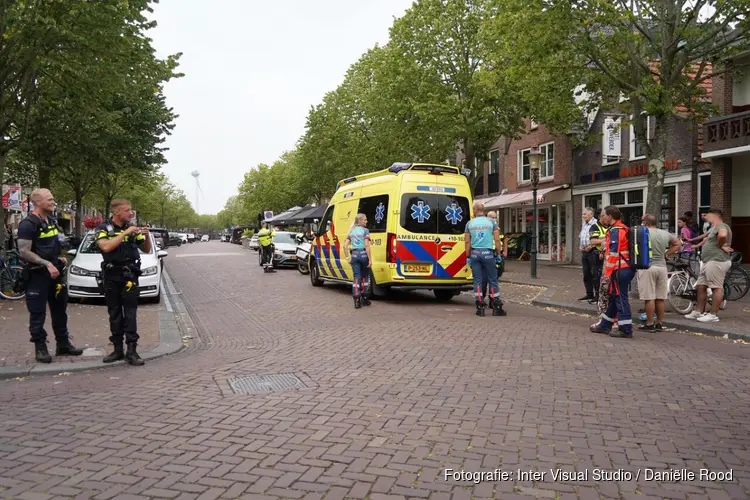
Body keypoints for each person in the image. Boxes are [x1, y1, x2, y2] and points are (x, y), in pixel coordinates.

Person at [16, 188, 83, 363]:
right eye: (50, 199)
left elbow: (52, 243)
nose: (54, 202)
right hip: (37, 276)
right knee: (37, 313)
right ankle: (40, 347)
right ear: (37, 202)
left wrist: (59, 257)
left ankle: (63, 345)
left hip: (55, 275)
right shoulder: (27, 224)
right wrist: (46, 264)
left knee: (60, 311)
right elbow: (24, 251)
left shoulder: (51, 221)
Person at [95, 199, 151, 366]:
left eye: (131, 210)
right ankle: (117, 350)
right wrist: (125, 234)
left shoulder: (131, 228)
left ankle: (132, 351)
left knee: (131, 314)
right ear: (117, 212)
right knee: (115, 314)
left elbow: (146, 249)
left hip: (130, 277)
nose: (131, 213)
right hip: (112, 277)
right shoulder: (103, 229)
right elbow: (105, 247)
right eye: (127, 210)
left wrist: (146, 237)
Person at [590, 205, 634, 338]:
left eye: (604, 215)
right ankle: (605, 324)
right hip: (624, 267)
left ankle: (625, 328)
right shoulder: (622, 228)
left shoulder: (616, 230)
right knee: (616, 296)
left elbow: (614, 254)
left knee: (621, 298)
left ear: (610, 216)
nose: (602, 217)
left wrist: (607, 273)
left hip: (619, 268)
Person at [684, 208, 733, 323]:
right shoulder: (713, 228)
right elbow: (704, 236)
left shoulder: (722, 226)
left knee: (716, 287)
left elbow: (722, 236)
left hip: (717, 260)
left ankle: (713, 314)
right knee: (701, 286)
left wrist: (721, 246)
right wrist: (690, 240)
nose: (706, 217)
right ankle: (698, 311)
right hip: (708, 261)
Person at [637, 214, 681, 331]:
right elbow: (677, 244)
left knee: (649, 297)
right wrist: (667, 254)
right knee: (660, 298)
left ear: (645, 222)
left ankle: (650, 324)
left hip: (647, 267)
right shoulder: (665, 233)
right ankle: (659, 323)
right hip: (662, 267)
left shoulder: (642, 233)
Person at [465, 201, 506, 317]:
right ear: (483, 210)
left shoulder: (469, 224)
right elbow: (497, 240)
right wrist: (498, 254)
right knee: (493, 280)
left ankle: (480, 306)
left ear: (474, 210)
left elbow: (467, 241)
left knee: (477, 280)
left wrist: (467, 256)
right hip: (488, 254)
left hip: (475, 254)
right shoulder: (492, 222)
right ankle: (496, 306)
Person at [343, 213, 373, 309]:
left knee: (356, 277)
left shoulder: (352, 231)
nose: (366, 221)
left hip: (354, 255)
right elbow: (367, 245)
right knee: (365, 277)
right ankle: (365, 298)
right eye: (365, 220)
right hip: (363, 255)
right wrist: (370, 259)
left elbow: (345, 246)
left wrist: (348, 257)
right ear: (360, 221)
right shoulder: (365, 231)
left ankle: (356, 299)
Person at [579, 207, 606, 303]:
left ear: (591, 214)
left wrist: (591, 246)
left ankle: (597, 296)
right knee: (586, 274)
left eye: (585, 214)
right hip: (584, 252)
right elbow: (582, 236)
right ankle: (589, 294)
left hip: (593, 252)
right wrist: (581, 246)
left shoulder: (595, 224)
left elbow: (597, 237)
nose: (583, 216)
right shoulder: (584, 224)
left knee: (595, 274)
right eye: (583, 214)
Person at [481, 211, 506, 300]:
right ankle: (482, 298)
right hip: (486, 254)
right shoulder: (484, 228)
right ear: (488, 218)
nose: (495, 219)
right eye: (493, 217)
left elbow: (502, 240)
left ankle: (493, 300)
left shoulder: (498, 229)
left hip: (496, 256)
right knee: (484, 280)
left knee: (494, 279)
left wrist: (503, 253)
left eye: (496, 217)